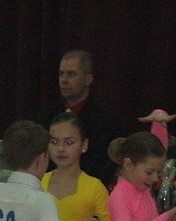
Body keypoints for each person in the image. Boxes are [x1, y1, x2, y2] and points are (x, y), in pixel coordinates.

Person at [39, 50, 124, 187]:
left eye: (71, 74)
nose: (64, 80)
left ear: (88, 79)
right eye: (61, 74)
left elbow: (105, 168)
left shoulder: (105, 122)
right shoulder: (48, 117)